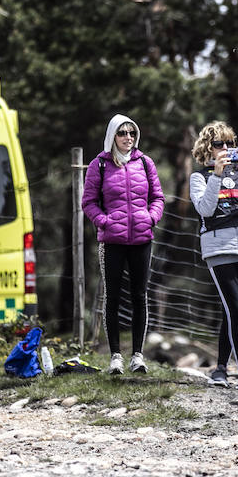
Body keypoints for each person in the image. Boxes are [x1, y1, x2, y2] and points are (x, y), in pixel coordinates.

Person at [82, 114, 165, 376]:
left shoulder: (145, 162)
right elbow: (89, 201)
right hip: (112, 241)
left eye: (131, 133)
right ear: (112, 136)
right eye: (122, 133)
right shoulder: (100, 165)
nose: (128, 137)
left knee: (140, 296)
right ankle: (116, 356)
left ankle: (137, 356)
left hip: (142, 239)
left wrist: (151, 217)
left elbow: (158, 197)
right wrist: (104, 221)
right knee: (113, 297)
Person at [189, 120, 238, 391]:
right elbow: (206, 210)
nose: (225, 148)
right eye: (218, 144)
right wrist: (218, 176)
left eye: (230, 143)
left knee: (230, 310)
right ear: (207, 149)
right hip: (218, 248)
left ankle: (220, 368)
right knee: (236, 309)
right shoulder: (200, 177)